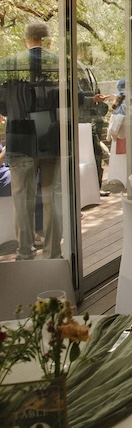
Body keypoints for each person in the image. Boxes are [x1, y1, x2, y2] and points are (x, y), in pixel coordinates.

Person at [0, 21, 62, 260]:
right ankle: (52, 253)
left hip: (20, 138)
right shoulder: (58, 63)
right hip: (51, 138)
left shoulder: (8, 65)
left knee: (21, 198)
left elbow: (2, 105)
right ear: (46, 40)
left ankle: (25, 251)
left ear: (25, 40)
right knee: (52, 197)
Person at [77, 58, 110, 192]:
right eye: (86, 51)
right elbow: (76, 98)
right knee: (95, 152)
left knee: (97, 154)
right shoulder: (75, 74)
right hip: (83, 122)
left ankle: (97, 186)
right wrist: (92, 100)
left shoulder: (89, 72)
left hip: (95, 120)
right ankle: (91, 188)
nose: (89, 55)